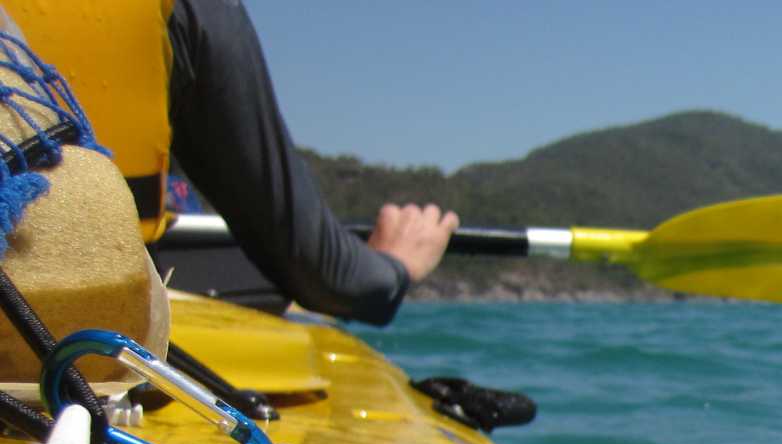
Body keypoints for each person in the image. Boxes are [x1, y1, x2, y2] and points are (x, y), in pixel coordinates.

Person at [13, 0, 457, 326]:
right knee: (257, 279)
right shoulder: (195, 11)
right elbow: (326, 276)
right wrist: (394, 267)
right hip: (70, 329)